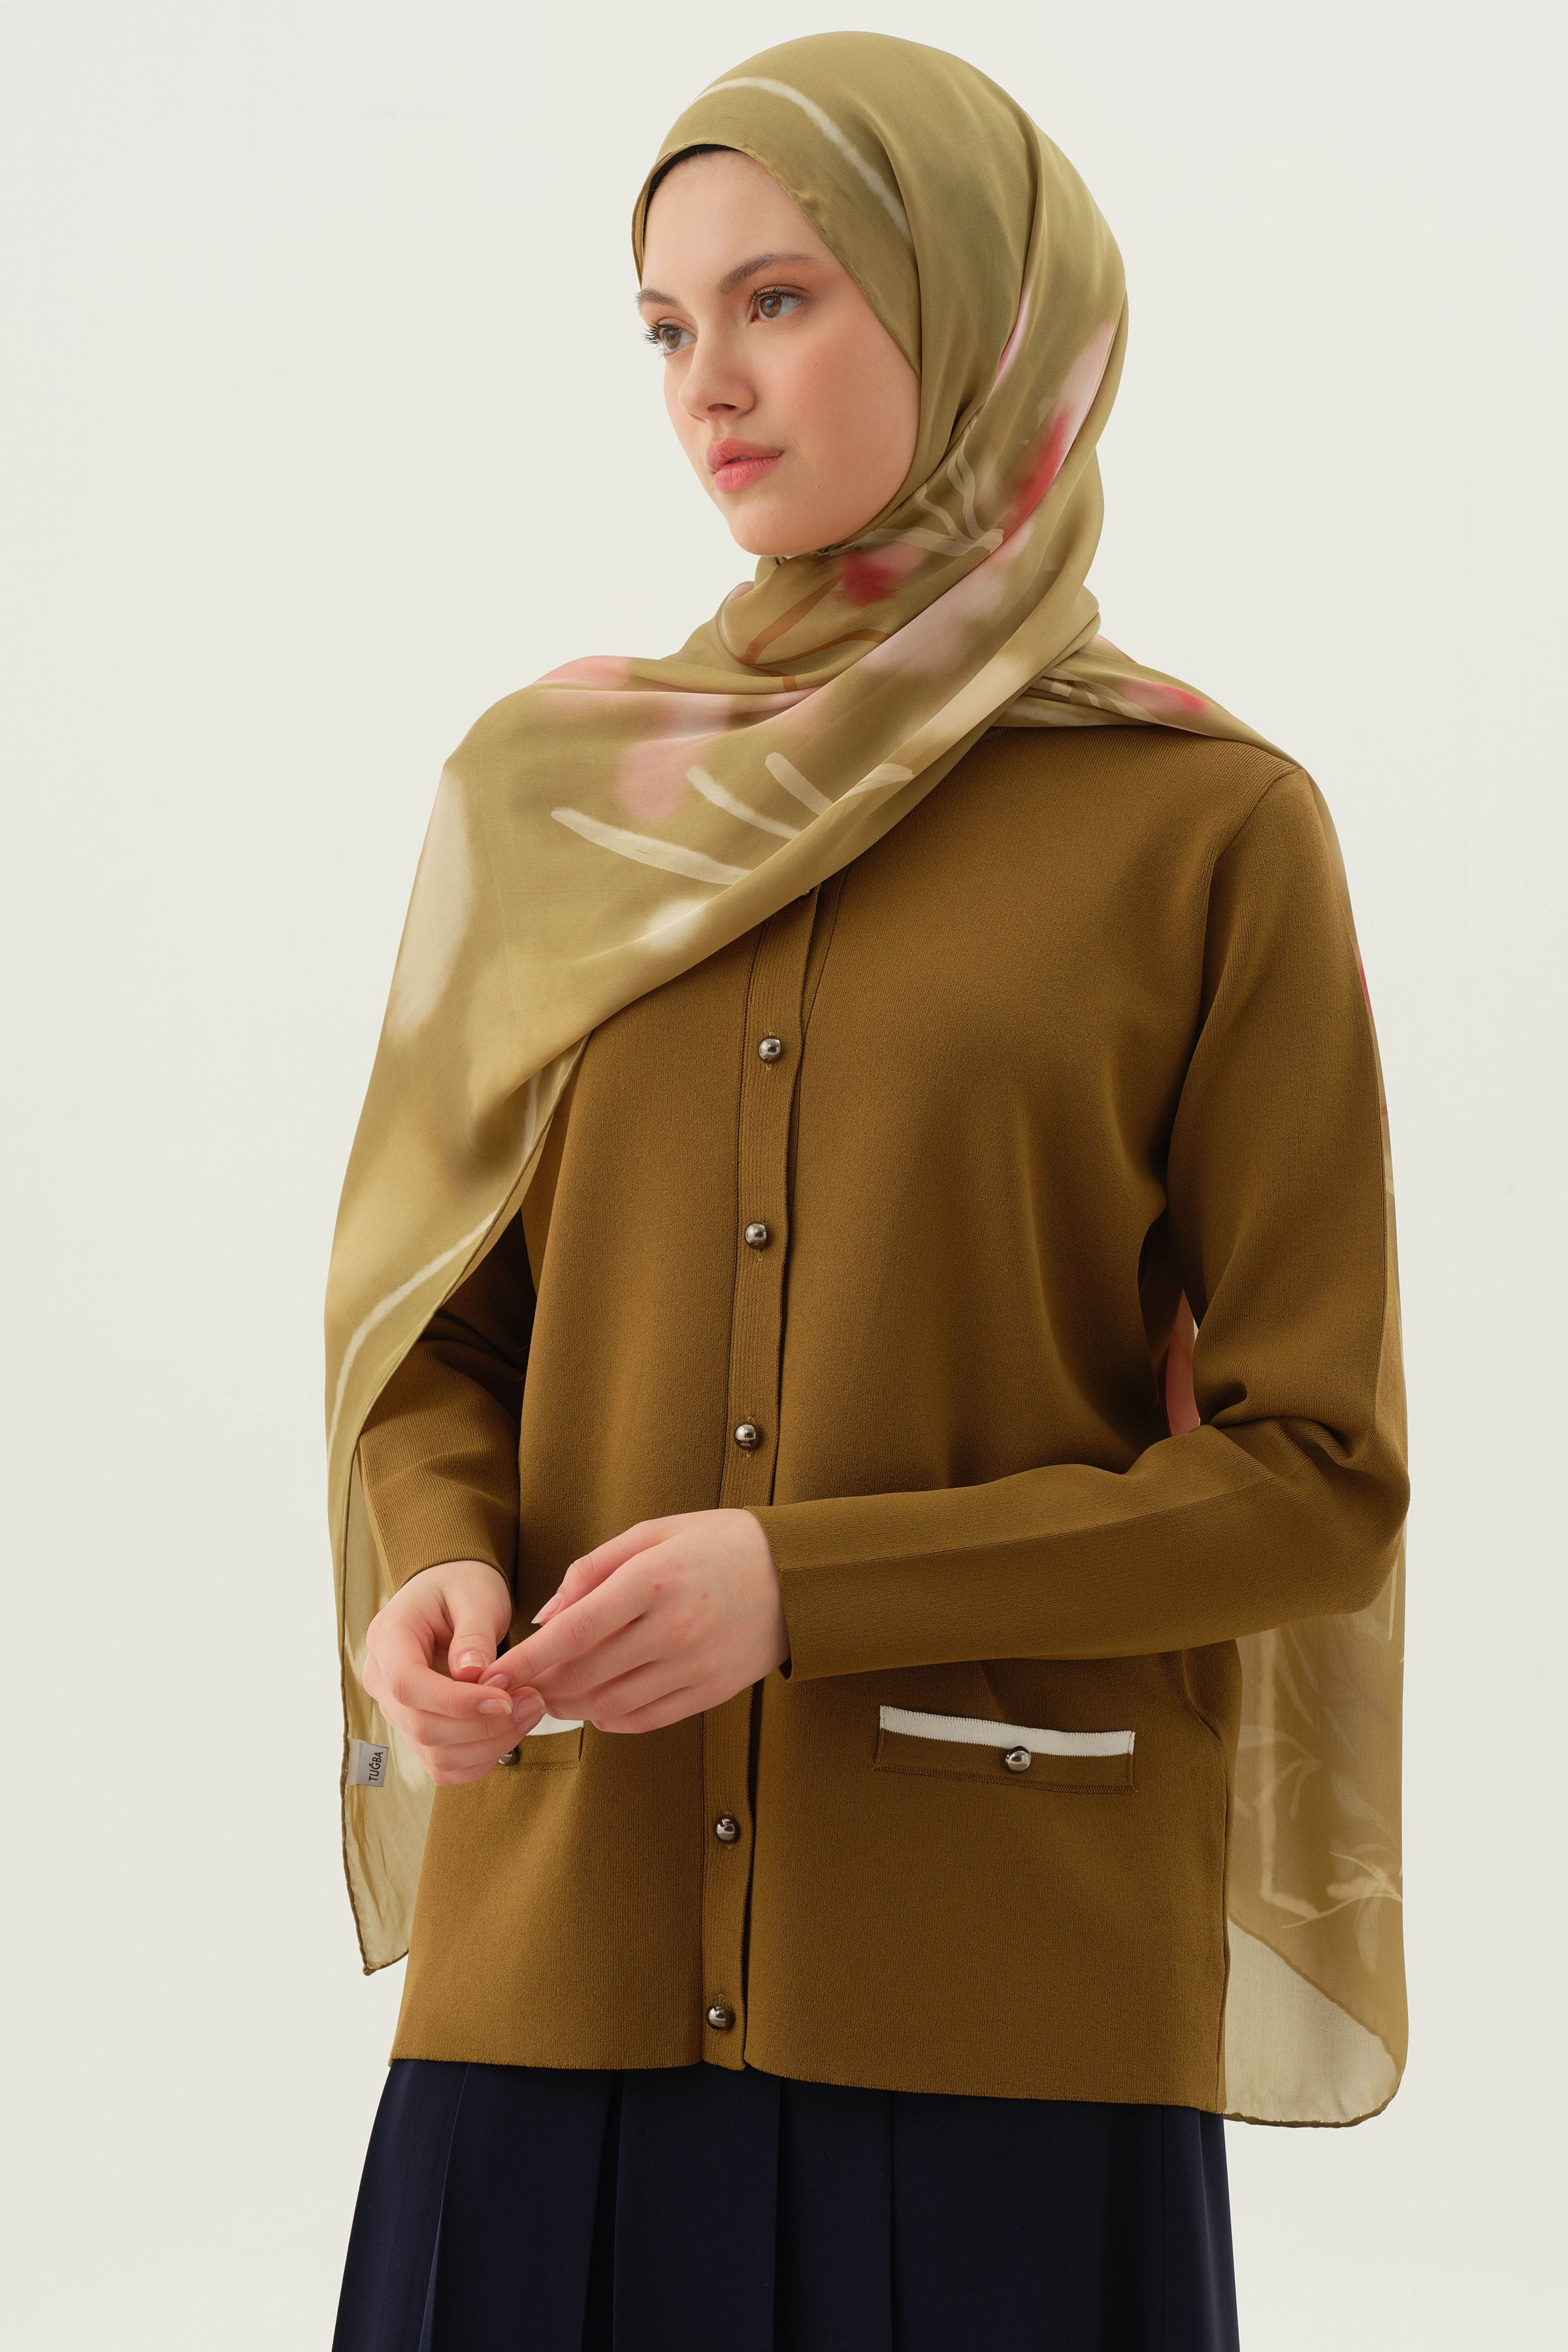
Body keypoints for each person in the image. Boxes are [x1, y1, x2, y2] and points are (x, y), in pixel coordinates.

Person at [325, 31, 1409, 2351]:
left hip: (1007, 2011)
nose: (707, 384)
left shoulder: (1208, 831)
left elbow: (1316, 1480)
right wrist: (433, 1570)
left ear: (981, 312)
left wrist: (801, 1590)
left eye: (779, 299)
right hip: (552, 1976)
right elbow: (441, 1338)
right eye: (664, 324)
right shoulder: (553, 804)